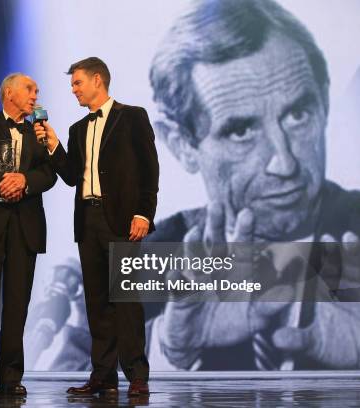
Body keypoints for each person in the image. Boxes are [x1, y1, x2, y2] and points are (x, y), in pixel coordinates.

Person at [146, 0, 360, 370]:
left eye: (297, 114)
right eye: (241, 130)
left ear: (324, 102)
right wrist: (172, 358)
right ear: (182, 145)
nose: (285, 162)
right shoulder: (145, 261)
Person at [35, 57, 159, 396]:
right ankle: (103, 375)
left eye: (77, 83)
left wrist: (143, 214)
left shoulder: (132, 117)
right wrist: (53, 145)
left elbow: (150, 170)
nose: (73, 90)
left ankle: (136, 375)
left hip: (122, 219)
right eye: (72, 85)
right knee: (96, 301)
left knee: (126, 300)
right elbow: (72, 175)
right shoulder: (77, 129)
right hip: (88, 220)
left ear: (97, 80)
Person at [0, 73, 57, 395]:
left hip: (24, 227)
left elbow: (48, 173)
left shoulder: (38, 134)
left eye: (37, 91)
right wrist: (2, 182)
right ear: (9, 93)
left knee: (18, 305)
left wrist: (24, 182)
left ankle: (12, 376)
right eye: (30, 89)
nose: (35, 95)